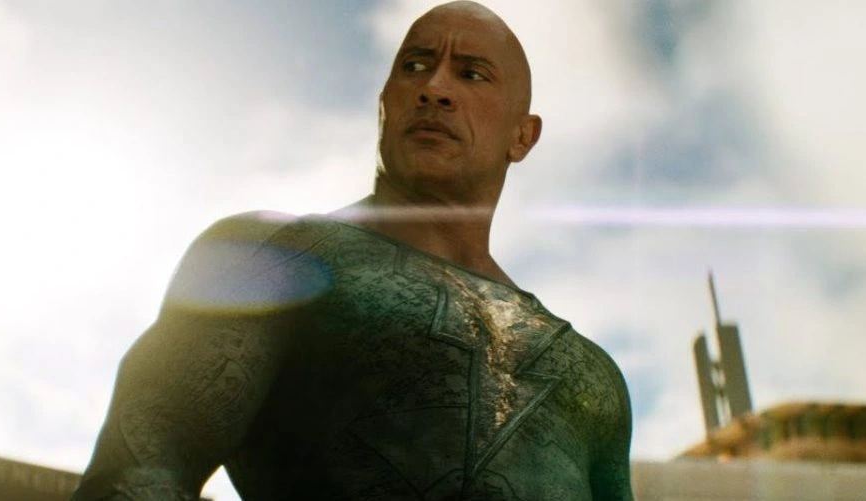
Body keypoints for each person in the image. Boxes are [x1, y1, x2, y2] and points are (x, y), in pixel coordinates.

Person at [73, 2, 634, 500]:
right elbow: (140, 469)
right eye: (414, 66)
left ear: (523, 135)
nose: (434, 88)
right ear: (384, 102)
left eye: (471, 74)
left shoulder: (590, 374)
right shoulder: (271, 258)